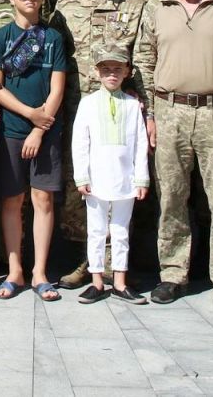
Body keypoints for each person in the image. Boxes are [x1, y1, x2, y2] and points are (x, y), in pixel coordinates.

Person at [132, 0, 213, 308]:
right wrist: (150, 113)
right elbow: (143, 61)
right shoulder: (155, 7)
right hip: (169, 110)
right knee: (172, 196)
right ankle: (173, 272)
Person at [50, 0, 135, 289]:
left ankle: (115, 266)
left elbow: (142, 58)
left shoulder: (134, 4)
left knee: (117, 186)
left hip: (118, 114)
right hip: (77, 110)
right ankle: (86, 260)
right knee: (81, 189)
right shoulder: (66, 5)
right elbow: (53, 58)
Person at [0, 0, 67, 302]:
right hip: (11, 130)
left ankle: (40, 272)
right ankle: (15, 269)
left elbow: (57, 87)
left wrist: (39, 126)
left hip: (45, 132)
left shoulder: (53, 38)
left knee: (43, 200)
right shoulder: (0, 37)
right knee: (12, 200)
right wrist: (28, 115)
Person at [71, 42, 150, 305]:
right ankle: (96, 280)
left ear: (127, 71)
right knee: (96, 229)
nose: (112, 74)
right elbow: (80, 142)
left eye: (117, 69)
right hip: (97, 179)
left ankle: (119, 281)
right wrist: (81, 176)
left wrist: (141, 177)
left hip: (125, 179)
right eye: (106, 69)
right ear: (96, 72)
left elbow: (140, 142)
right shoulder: (88, 103)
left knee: (120, 230)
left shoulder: (131, 105)